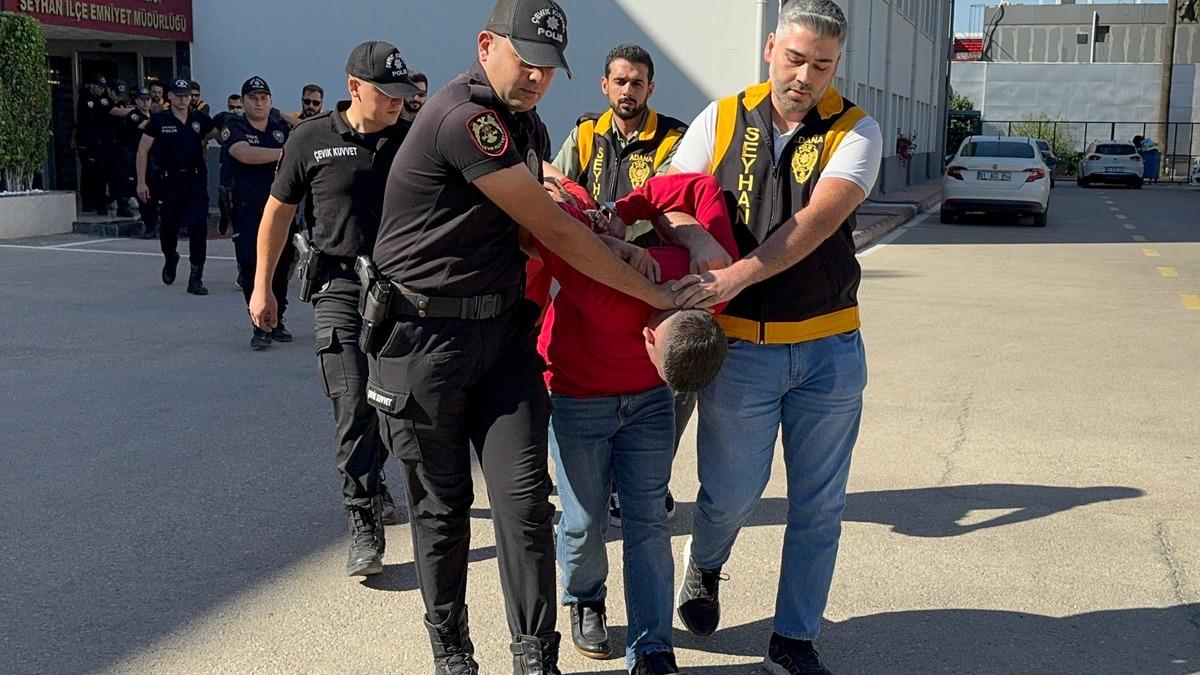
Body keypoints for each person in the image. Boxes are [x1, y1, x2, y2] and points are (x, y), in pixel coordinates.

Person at [366, 1, 680, 671]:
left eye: (549, 67)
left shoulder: (526, 123)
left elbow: (536, 225)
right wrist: (653, 294)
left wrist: (618, 247)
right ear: (486, 45)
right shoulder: (465, 118)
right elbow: (552, 229)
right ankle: (453, 653)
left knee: (525, 504)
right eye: (526, 61)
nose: (538, 77)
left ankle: (536, 657)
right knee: (443, 510)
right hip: (424, 339)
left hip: (502, 332)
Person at [665, 2, 883, 673]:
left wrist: (735, 274)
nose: (804, 77)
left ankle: (793, 639)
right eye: (794, 59)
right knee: (731, 493)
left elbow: (816, 222)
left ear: (836, 65)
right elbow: (671, 196)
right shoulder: (722, 117)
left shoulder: (857, 129)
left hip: (828, 348)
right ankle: (706, 563)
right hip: (741, 353)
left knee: (819, 504)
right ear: (770, 49)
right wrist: (698, 240)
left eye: (822, 65)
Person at [536, 173, 736, 674]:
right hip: (578, 396)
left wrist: (699, 237)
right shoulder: (600, 286)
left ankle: (652, 648)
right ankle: (585, 596)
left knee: (647, 521)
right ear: (648, 339)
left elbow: (698, 188)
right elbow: (550, 223)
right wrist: (613, 225)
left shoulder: (714, 281)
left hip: (648, 407)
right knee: (584, 519)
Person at [248, 40, 419, 577]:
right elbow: (277, 214)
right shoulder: (311, 138)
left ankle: (376, 476)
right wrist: (263, 287)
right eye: (386, 94)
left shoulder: (411, 138)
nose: (397, 102)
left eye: (402, 94)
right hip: (339, 287)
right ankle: (362, 519)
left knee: (392, 404)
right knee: (352, 400)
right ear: (354, 87)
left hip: (398, 290)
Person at [551, 42, 696, 528]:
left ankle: (650, 474)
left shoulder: (674, 138)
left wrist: (623, 234)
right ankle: (599, 481)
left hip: (655, 275)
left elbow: (672, 201)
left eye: (637, 82)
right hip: (594, 275)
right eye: (620, 81)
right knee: (590, 377)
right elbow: (557, 184)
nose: (627, 90)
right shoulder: (585, 133)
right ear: (604, 85)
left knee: (672, 377)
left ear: (650, 88)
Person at [221, 76, 293, 348]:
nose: (259, 103)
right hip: (248, 210)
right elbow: (245, 154)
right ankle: (259, 325)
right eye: (253, 98)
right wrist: (285, 154)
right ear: (243, 102)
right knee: (251, 266)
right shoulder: (234, 126)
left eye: (264, 98)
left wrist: (283, 117)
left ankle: (277, 319)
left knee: (282, 266)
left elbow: (303, 135)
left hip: (280, 208)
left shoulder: (280, 128)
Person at [136, 77, 219, 295]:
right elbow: (142, 150)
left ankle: (196, 276)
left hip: (196, 180)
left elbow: (219, 135)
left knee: (198, 228)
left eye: (187, 96)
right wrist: (141, 181)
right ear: (170, 96)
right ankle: (170, 256)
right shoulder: (159, 120)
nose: (183, 100)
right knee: (168, 227)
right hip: (169, 181)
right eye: (179, 95)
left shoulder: (199, 119)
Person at [114, 88, 154, 222]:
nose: (145, 102)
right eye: (142, 100)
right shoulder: (133, 116)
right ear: (137, 101)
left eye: (148, 99)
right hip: (133, 155)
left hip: (151, 156)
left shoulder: (153, 115)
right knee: (133, 183)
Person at [212, 95, 244, 238]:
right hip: (226, 160)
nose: (235, 110)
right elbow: (212, 131)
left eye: (238, 107)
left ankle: (236, 222)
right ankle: (224, 216)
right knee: (223, 192)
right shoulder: (224, 117)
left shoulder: (247, 120)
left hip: (242, 163)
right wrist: (222, 140)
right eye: (232, 107)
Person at [395, 70, 427, 137]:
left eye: (421, 94)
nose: (416, 98)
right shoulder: (386, 123)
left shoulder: (429, 125)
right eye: (412, 93)